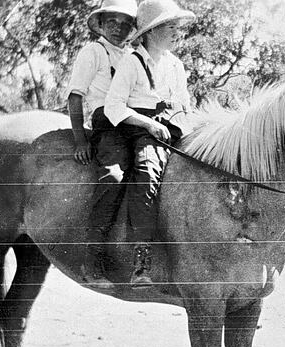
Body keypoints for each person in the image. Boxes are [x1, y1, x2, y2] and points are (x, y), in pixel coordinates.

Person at [104, 0, 196, 288]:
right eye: (171, 27)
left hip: (174, 128)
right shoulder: (131, 62)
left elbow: (185, 105)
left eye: (178, 28)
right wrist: (148, 124)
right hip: (141, 129)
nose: (177, 33)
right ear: (151, 31)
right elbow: (113, 106)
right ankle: (141, 258)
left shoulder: (176, 65)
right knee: (147, 171)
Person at [66, 0, 137, 288]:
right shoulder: (93, 52)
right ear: (101, 24)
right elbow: (75, 96)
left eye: (125, 24)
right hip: (106, 123)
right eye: (112, 22)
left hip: (133, 121)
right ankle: (92, 258)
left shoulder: (132, 56)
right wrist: (80, 139)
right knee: (114, 177)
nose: (119, 29)